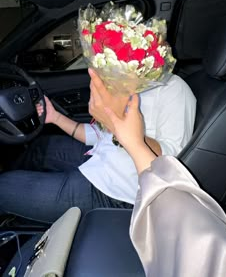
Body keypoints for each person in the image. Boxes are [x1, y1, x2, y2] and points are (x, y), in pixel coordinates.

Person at [0, 69, 196, 223]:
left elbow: (171, 162)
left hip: (116, 192)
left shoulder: (173, 87)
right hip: (99, 160)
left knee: (4, 186)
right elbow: (101, 136)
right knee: (42, 147)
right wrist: (55, 117)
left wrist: (117, 126)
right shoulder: (126, 82)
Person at [100, 93, 226, 277]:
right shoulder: (133, 91)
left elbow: (207, 250)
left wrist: (131, 141)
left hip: (120, 189)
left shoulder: (174, 91)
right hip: (105, 168)